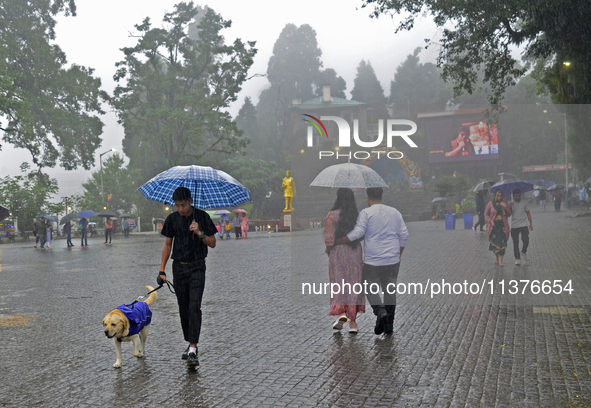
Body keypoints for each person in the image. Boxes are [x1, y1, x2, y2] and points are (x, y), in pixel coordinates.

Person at [335, 187, 409, 335]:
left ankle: (380, 311)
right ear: (381, 196)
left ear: (368, 197)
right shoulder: (395, 212)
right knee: (390, 291)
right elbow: (404, 235)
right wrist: (398, 253)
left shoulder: (366, 213)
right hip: (392, 259)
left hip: (373, 260)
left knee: (370, 288)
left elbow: (358, 232)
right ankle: (389, 326)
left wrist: (340, 240)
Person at [158, 186, 217, 367]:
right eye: (177, 205)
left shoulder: (202, 217)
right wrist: (162, 270)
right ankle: (189, 342)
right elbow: (168, 245)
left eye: (183, 205)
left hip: (198, 267)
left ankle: (193, 348)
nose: (180, 209)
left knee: (194, 306)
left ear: (191, 201)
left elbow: (213, 243)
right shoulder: (172, 219)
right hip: (179, 268)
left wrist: (200, 233)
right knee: (183, 308)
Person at [324, 188, 365, 333]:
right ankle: (353, 323)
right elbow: (361, 235)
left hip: (338, 253)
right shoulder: (358, 215)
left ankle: (341, 314)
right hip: (355, 252)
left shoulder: (332, 216)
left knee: (339, 283)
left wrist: (328, 252)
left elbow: (329, 240)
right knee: (355, 284)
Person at [484, 190, 512, 267]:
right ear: (495, 196)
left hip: (503, 226)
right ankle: (496, 256)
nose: (499, 197)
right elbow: (486, 214)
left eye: (501, 196)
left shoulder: (504, 203)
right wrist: (490, 221)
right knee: (495, 242)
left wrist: (505, 206)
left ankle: (500, 260)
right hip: (494, 226)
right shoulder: (491, 203)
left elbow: (509, 214)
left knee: (502, 242)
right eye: (498, 196)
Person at [510, 189, 533, 265]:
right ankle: (517, 258)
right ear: (513, 196)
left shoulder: (524, 202)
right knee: (515, 243)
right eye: (516, 196)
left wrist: (530, 223)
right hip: (514, 225)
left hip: (523, 224)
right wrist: (510, 207)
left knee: (526, 240)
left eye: (519, 195)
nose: (517, 197)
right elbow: (508, 214)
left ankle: (523, 251)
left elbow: (528, 213)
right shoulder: (511, 203)